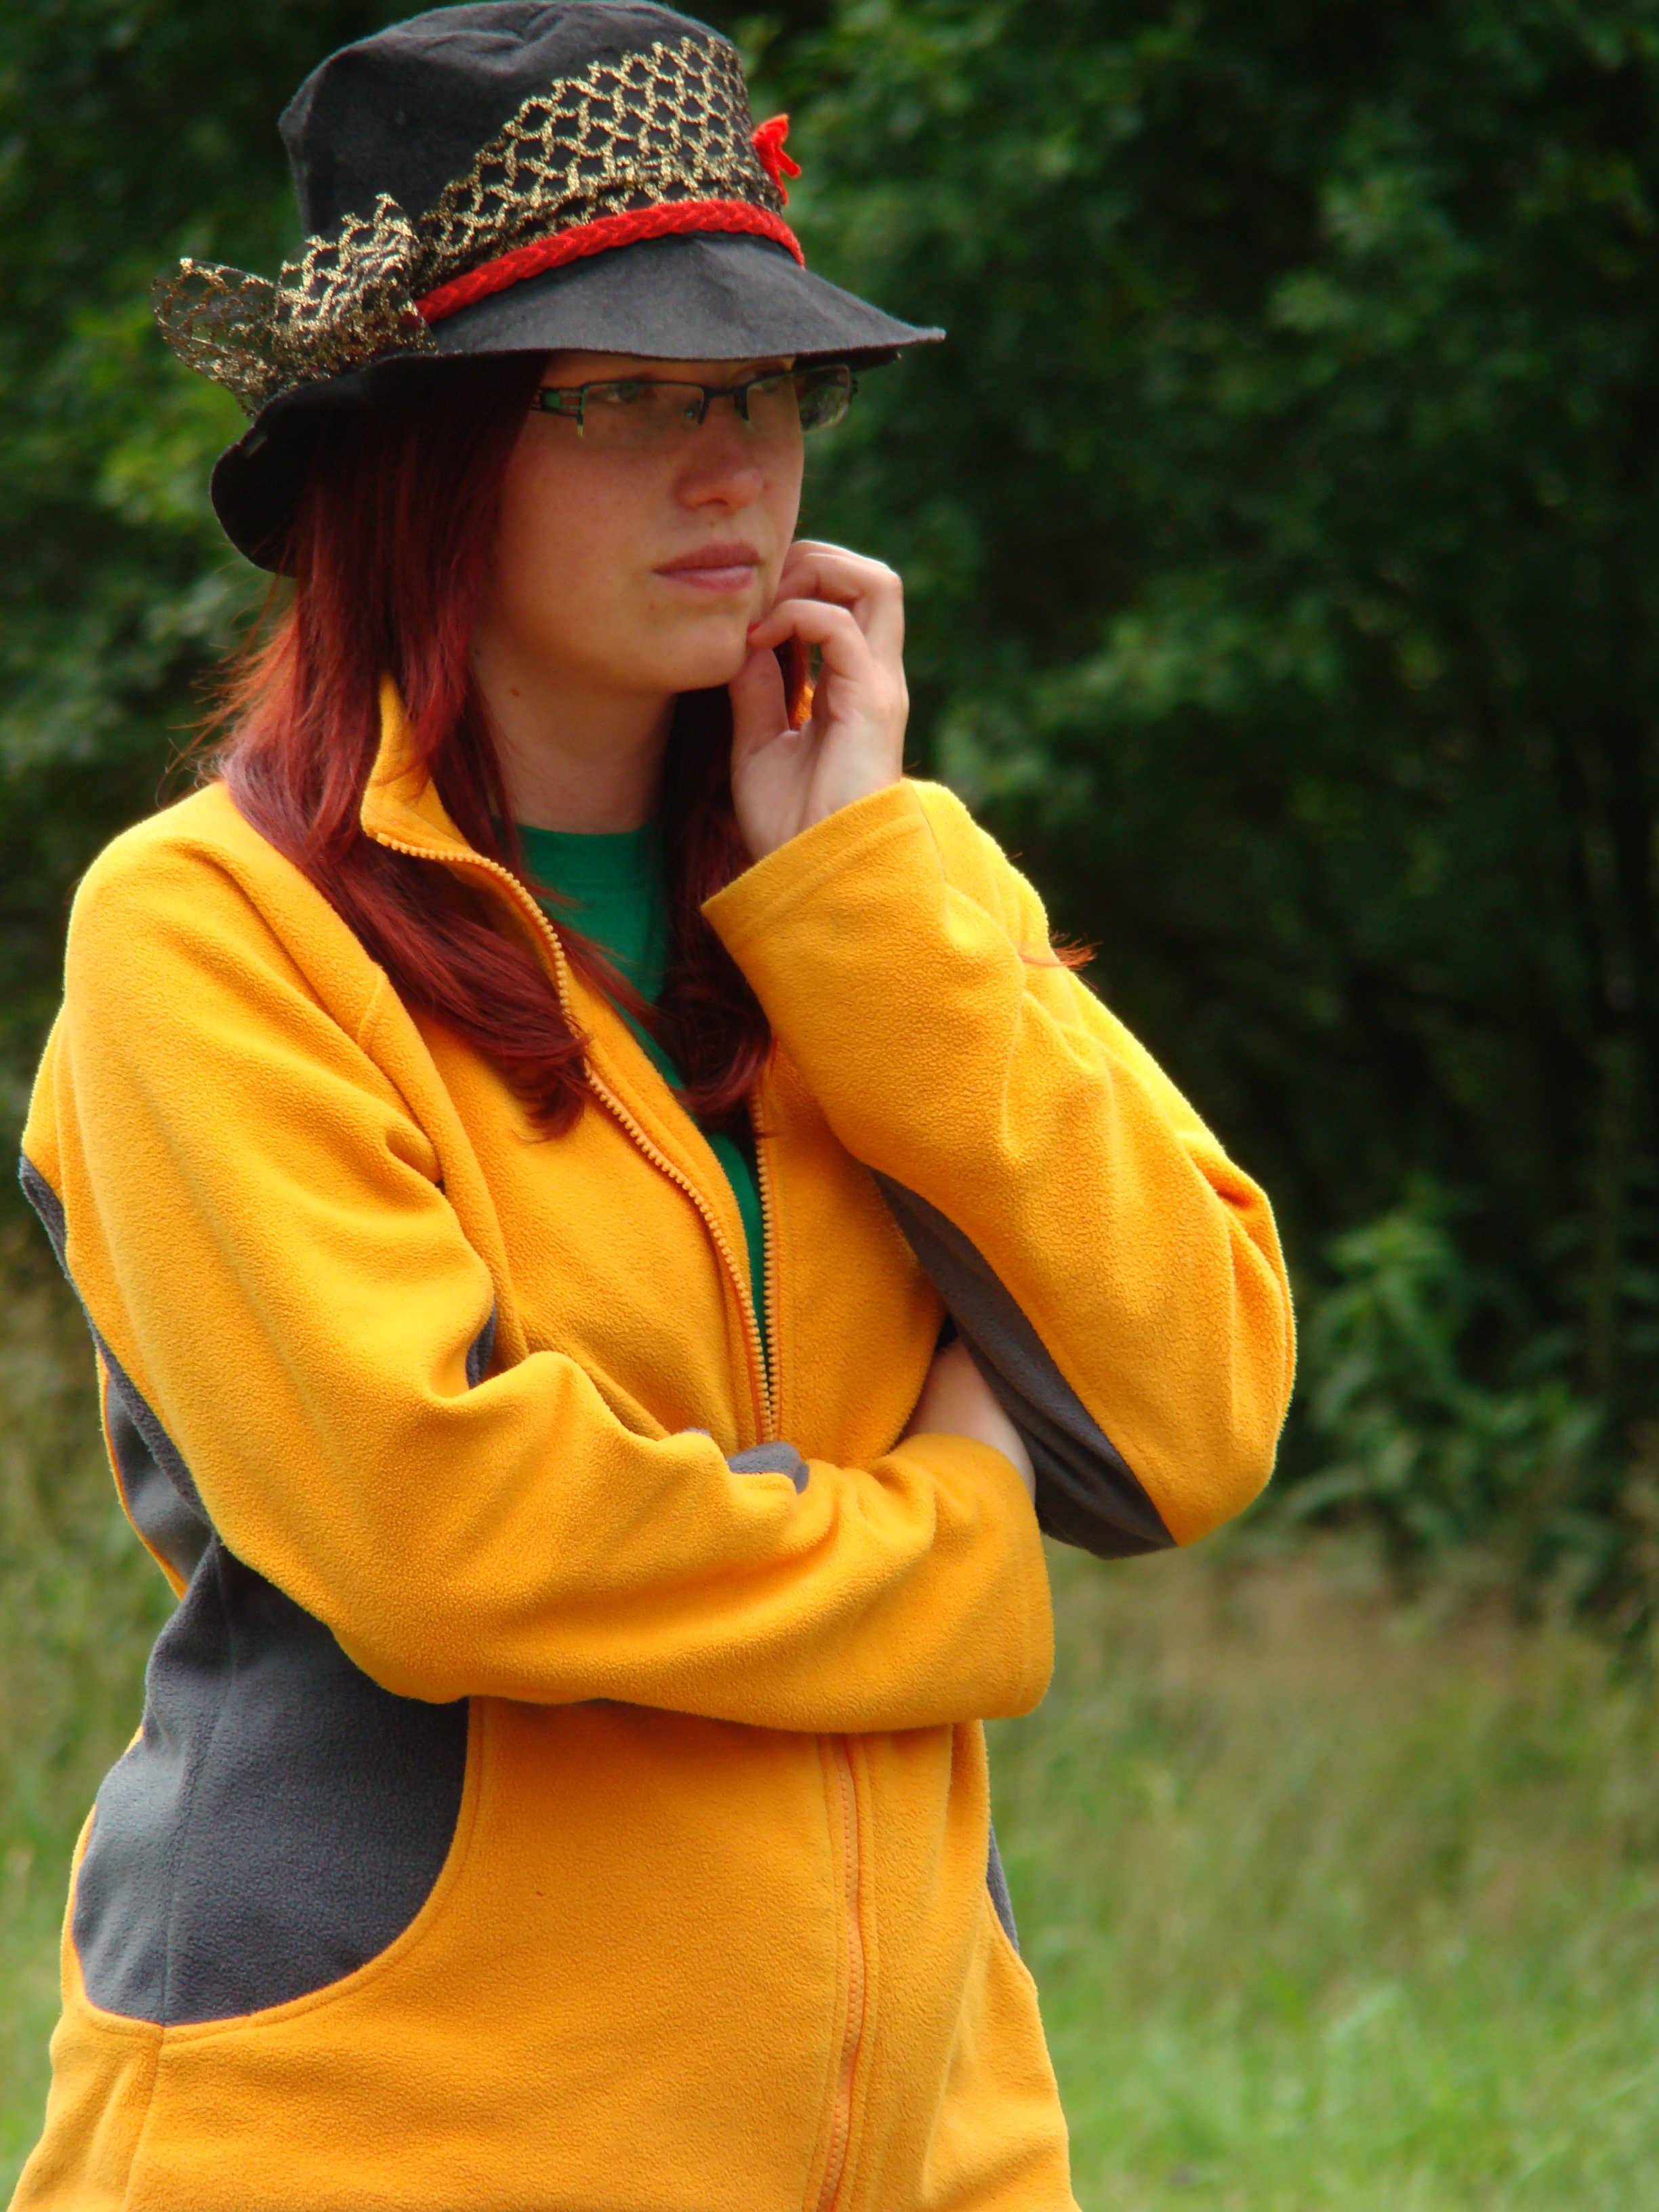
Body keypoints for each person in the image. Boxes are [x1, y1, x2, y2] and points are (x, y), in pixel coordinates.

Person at [12, 5, 1294, 2207]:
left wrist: (860, 899)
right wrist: (950, 1550)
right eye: (623, 399)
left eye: (764, 390)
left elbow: (1198, 1409)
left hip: (934, 2161)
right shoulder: (212, 930)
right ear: (414, 459)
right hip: (374, 2153)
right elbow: (448, 1543)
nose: (730, 468)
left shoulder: (880, 889)